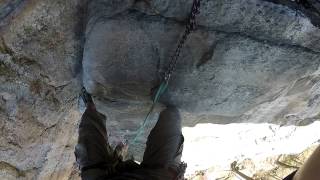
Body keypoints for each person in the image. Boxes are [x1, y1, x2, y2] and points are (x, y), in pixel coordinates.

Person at [75, 88, 186, 180]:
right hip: (156, 175)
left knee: (88, 140)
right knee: (172, 116)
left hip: (105, 177)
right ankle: (118, 154)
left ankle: (90, 106)